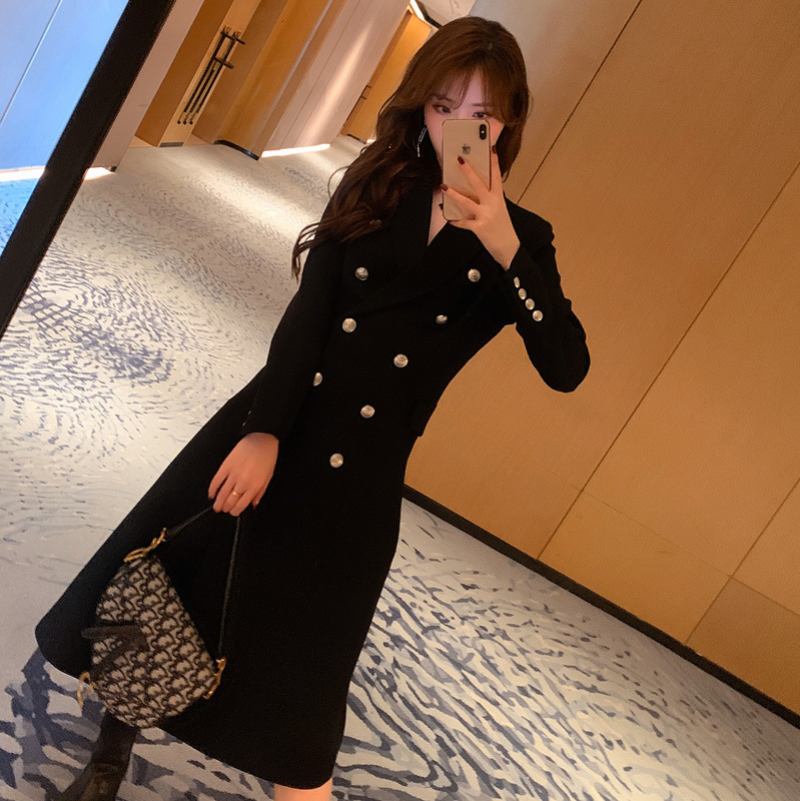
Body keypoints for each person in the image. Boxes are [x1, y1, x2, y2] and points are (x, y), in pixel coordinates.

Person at [35, 15, 590, 801]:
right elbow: (309, 317)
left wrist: (504, 244)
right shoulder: (378, 180)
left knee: (306, 670)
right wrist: (262, 431)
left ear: (507, 124)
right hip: (278, 420)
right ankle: (110, 750)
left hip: (361, 479)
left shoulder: (522, 241)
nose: (457, 129)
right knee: (173, 581)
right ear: (421, 107)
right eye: (442, 106)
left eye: (481, 115)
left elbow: (566, 364)